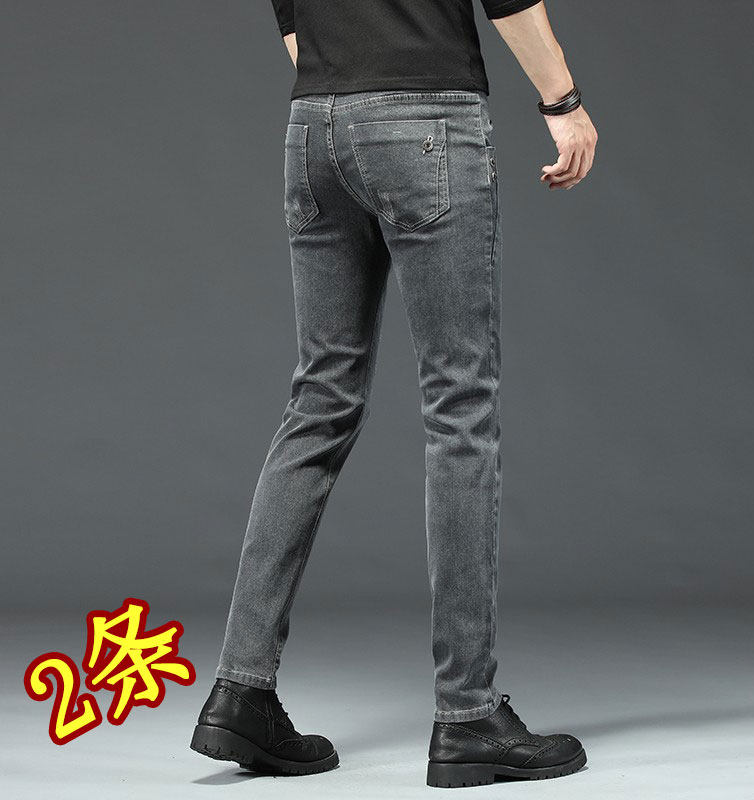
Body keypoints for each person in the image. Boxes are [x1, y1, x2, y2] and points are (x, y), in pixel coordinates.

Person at [190, 0, 597, 788]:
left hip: (315, 123)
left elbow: (289, 16)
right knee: (460, 406)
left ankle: (241, 691)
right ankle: (468, 715)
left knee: (319, 399)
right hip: (426, 119)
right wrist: (563, 103)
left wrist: (347, 95)